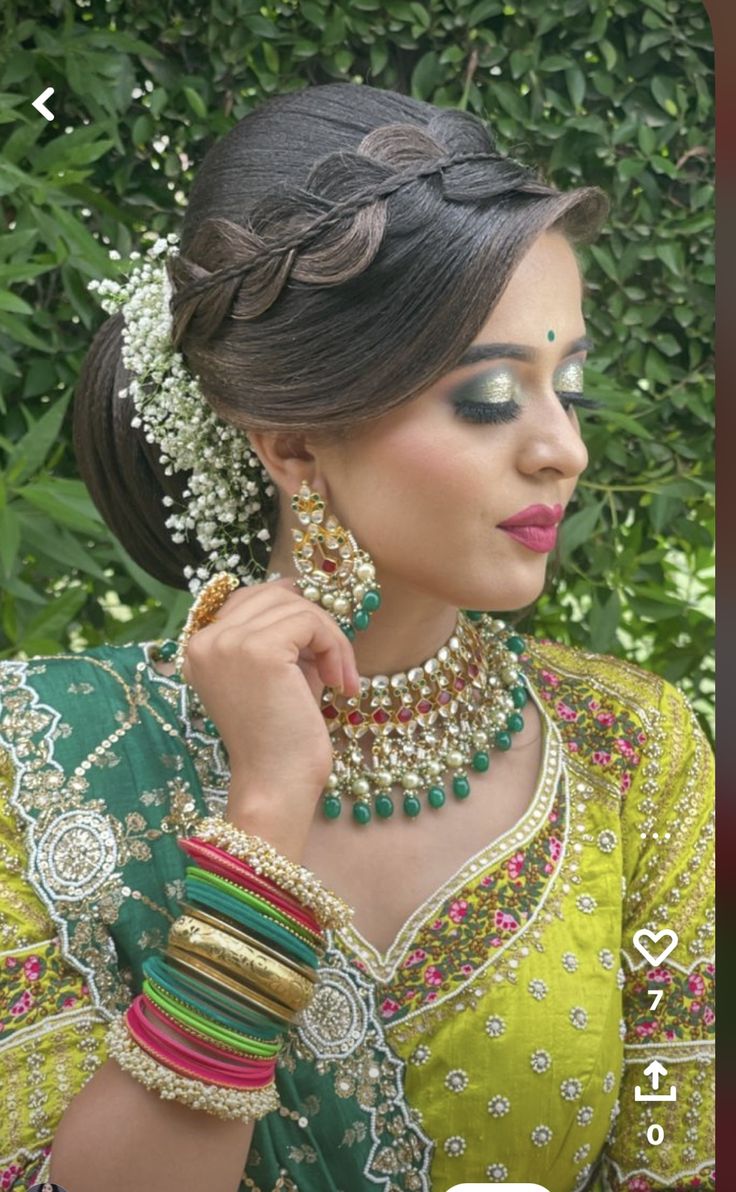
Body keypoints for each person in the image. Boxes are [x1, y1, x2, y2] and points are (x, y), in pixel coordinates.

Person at [0, 82, 713, 1192]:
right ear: (293, 449)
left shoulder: (632, 752)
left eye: (565, 386)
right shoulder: (43, 762)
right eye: (489, 396)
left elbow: (679, 1149)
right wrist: (269, 815)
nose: (562, 449)